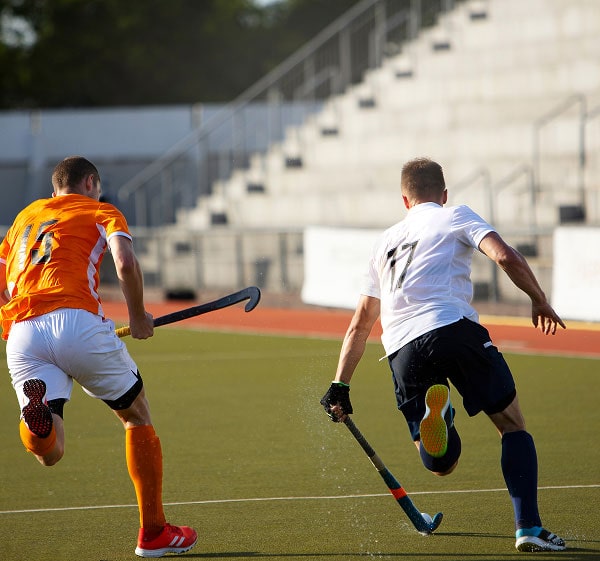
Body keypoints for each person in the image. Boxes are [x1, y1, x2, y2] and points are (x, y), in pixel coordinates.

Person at [320, 157, 567, 553]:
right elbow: (505, 256)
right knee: (512, 425)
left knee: (440, 465)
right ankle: (529, 528)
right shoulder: (456, 215)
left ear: (405, 200)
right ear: (445, 194)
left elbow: (360, 325)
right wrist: (538, 299)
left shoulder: (384, 243)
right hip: (451, 327)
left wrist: (340, 385)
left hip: (401, 348)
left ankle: (441, 418)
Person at [0, 156, 197, 558]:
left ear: (55, 189)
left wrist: (12, 322)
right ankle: (154, 533)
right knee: (136, 414)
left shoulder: (25, 217)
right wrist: (138, 317)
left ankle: (37, 422)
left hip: (22, 333)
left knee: (50, 451)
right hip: (77, 322)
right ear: (90, 182)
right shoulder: (102, 210)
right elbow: (125, 262)